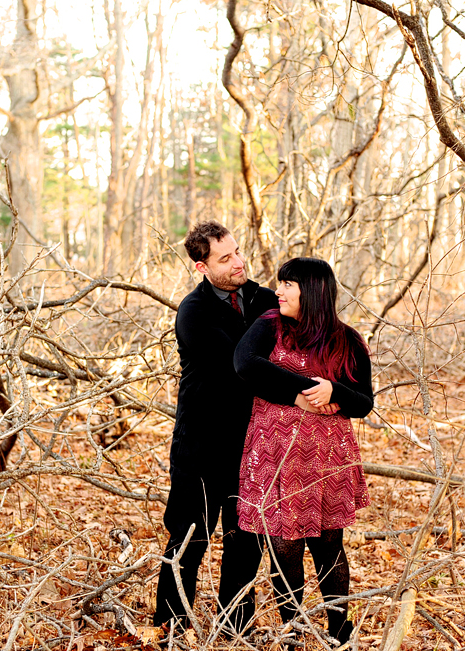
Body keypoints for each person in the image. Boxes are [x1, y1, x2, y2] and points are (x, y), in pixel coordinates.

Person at [233, 257, 373, 646]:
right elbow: (245, 365)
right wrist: (301, 391)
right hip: (276, 456)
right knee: (284, 547)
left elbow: (363, 402)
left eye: (288, 284)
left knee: (330, 547)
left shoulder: (348, 340)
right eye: (280, 283)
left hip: (327, 458)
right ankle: (294, 632)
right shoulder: (269, 326)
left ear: (313, 292)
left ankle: (339, 633)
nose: (278, 291)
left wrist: (335, 391)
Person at [154, 221, 278, 635]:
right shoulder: (194, 311)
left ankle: (235, 627)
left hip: (254, 441)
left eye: (238, 252)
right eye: (225, 259)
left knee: (246, 538)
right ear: (201, 267)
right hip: (202, 444)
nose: (239, 262)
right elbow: (242, 365)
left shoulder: (265, 298)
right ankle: (170, 627)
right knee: (190, 537)